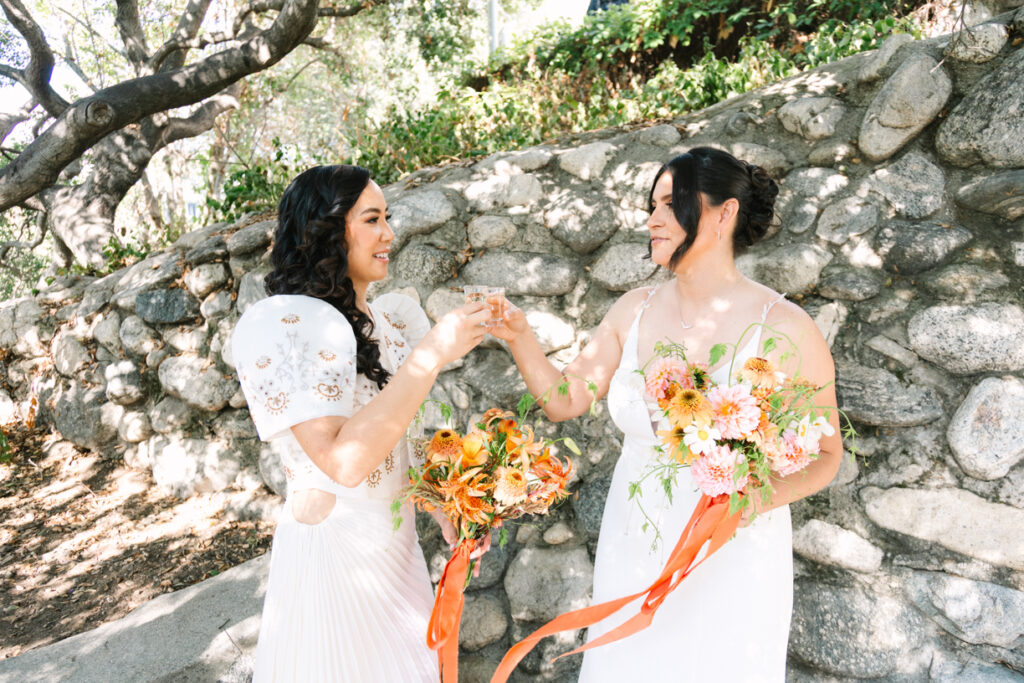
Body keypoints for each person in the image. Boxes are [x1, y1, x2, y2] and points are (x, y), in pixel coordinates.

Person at [489, 147, 843, 681]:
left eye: (671, 203)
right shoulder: (632, 310)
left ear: (724, 213)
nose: (652, 218)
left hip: (731, 546)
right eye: (651, 205)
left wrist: (752, 499)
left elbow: (827, 453)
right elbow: (566, 399)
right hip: (635, 538)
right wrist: (520, 338)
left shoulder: (787, 326)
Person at [231, 164, 490, 681]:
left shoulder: (390, 321)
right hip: (337, 561)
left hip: (398, 553)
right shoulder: (293, 323)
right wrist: (432, 354)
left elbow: (397, 437)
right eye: (372, 219)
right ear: (327, 230)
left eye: (387, 217)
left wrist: (447, 508)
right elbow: (342, 462)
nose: (389, 233)